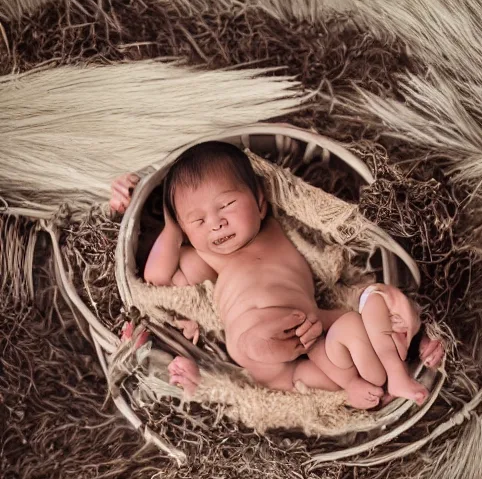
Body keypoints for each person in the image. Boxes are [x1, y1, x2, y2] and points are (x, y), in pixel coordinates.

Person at [110, 143, 443, 408]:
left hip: (311, 326)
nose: (216, 223)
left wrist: (388, 317)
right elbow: (155, 277)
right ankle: (342, 372)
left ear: (260, 202)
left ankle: (372, 377)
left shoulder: (281, 228)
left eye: (226, 205)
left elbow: (314, 214)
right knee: (251, 340)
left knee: (372, 305)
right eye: (197, 221)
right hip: (255, 341)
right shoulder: (208, 256)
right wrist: (171, 226)